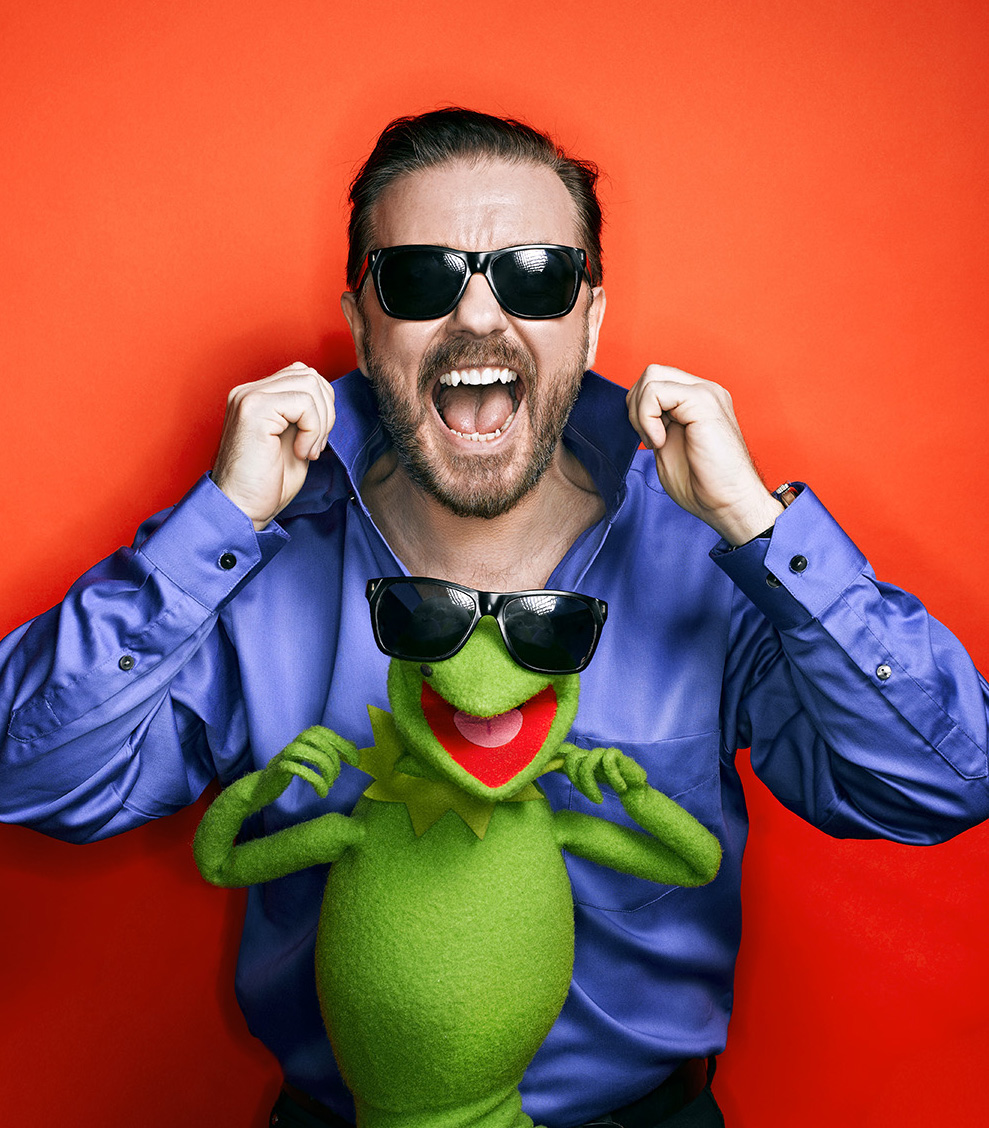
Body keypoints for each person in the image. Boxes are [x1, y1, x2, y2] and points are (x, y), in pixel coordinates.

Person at [1, 108, 987, 1128]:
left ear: (588, 322)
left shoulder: (703, 554)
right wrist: (220, 519)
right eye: (420, 277)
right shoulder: (253, 559)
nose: (478, 316)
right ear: (361, 323)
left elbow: (939, 785)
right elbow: (32, 776)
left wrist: (758, 526)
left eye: (534, 275)